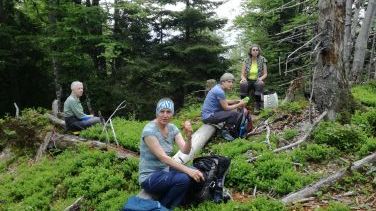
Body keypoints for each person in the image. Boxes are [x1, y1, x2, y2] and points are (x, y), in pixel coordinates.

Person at [139, 98, 205, 209]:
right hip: (150, 177)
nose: (165, 115)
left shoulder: (172, 128)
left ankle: (183, 201)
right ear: (157, 112)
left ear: (172, 113)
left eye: (168, 112)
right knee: (183, 179)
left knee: (197, 172)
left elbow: (185, 150)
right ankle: (164, 207)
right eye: (162, 111)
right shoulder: (149, 131)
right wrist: (187, 170)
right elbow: (163, 158)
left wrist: (189, 137)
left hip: (165, 170)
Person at [201, 73, 246, 141]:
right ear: (223, 82)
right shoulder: (219, 91)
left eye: (232, 82)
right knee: (233, 114)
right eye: (229, 82)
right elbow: (226, 107)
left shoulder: (218, 88)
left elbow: (224, 101)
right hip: (208, 116)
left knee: (233, 111)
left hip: (208, 115)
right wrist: (239, 104)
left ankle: (226, 128)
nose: (231, 84)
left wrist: (236, 101)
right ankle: (226, 131)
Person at [240, 44, 268, 114]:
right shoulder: (246, 60)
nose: (255, 51)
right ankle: (243, 105)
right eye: (253, 50)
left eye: (257, 50)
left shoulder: (263, 59)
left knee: (260, 83)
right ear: (250, 51)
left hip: (257, 79)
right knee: (243, 83)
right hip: (248, 80)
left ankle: (257, 105)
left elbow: (265, 74)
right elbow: (242, 74)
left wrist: (261, 78)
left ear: (259, 51)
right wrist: (243, 79)